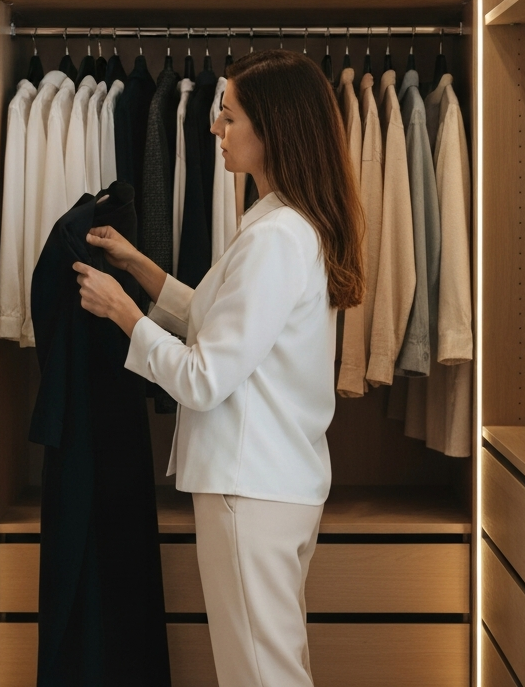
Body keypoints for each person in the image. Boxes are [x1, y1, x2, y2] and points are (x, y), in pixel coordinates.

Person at [73, 49, 365, 687]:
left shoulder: (272, 239)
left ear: (272, 131)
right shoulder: (283, 224)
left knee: (261, 675)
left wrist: (125, 313)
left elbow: (204, 377)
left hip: (249, 487)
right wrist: (140, 268)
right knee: (271, 667)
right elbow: (224, 319)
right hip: (273, 481)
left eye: (228, 117)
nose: (215, 129)